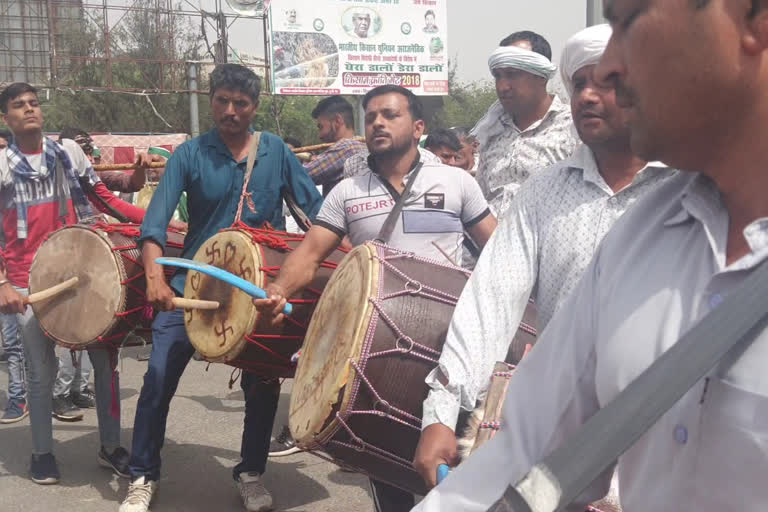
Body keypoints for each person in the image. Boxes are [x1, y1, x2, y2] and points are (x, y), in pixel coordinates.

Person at [413, 0, 768, 510]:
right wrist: (444, 406)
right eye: (578, 81)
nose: (604, 74)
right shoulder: (641, 234)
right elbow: (527, 436)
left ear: (753, 18)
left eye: (631, 21)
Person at [253, 84, 497, 512]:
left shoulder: (456, 182)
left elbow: (498, 250)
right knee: (387, 467)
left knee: (457, 464)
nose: (378, 123)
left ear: (418, 126)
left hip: (452, 347)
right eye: (371, 117)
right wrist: (278, 289)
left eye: (390, 114)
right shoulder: (347, 192)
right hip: (376, 353)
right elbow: (309, 254)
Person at [119, 64, 323, 512]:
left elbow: (319, 219)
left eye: (241, 103)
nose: (229, 111)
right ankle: (142, 476)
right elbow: (153, 227)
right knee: (156, 379)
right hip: (188, 288)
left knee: (263, 386)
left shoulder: (276, 152)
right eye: (221, 101)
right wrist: (154, 275)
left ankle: (250, 472)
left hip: (255, 292)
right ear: (212, 100)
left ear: (255, 106)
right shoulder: (189, 154)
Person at [0, 82, 150, 484]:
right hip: (29, 285)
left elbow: (106, 200)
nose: (30, 109)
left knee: (107, 365)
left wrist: (156, 220)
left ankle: (111, 446)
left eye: (34, 103)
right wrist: (3, 285)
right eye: (19, 105)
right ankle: (43, 454)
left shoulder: (69, 154)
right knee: (39, 373)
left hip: (83, 275)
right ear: (6, 118)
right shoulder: (1, 167)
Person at [472, 30, 578, 215]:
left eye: (513, 74)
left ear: (541, 76)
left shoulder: (573, 127)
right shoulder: (491, 131)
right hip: (492, 241)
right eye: (498, 76)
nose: (503, 86)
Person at [304, 95, 367, 195]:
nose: (320, 136)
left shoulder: (347, 148)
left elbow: (301, 175)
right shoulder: (361, 145)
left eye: (321, 127)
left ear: (337, 121)